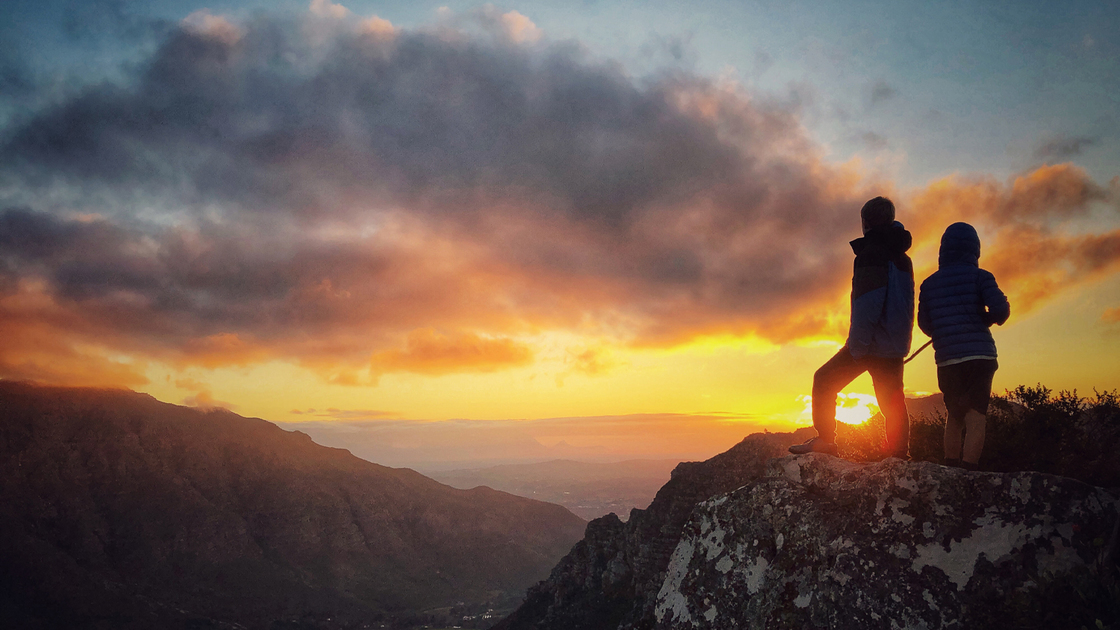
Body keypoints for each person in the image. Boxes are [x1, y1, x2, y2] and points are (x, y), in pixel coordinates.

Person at [790, 197, 915, 458]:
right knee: (892, 402)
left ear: (865, 222)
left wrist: (856, 347)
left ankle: (826, 440)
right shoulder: (903, 259)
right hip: (893, 345)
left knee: (823, 381)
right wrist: (901, 343)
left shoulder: (871, 254)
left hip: (869, 343)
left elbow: (868, 303)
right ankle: (899, 455)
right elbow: (904, 305)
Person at [917, 222, 1009, 470]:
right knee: (977, 416)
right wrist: (987, 319)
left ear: (943, 250)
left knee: (955, 415)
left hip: (947, 359)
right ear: (975, 249)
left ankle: (950, 469)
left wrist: (945, 331)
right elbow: (1001, 310)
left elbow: (925, 325)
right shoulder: (981, 277)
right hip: (980, 356)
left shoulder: (929, 284)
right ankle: (969, 473)